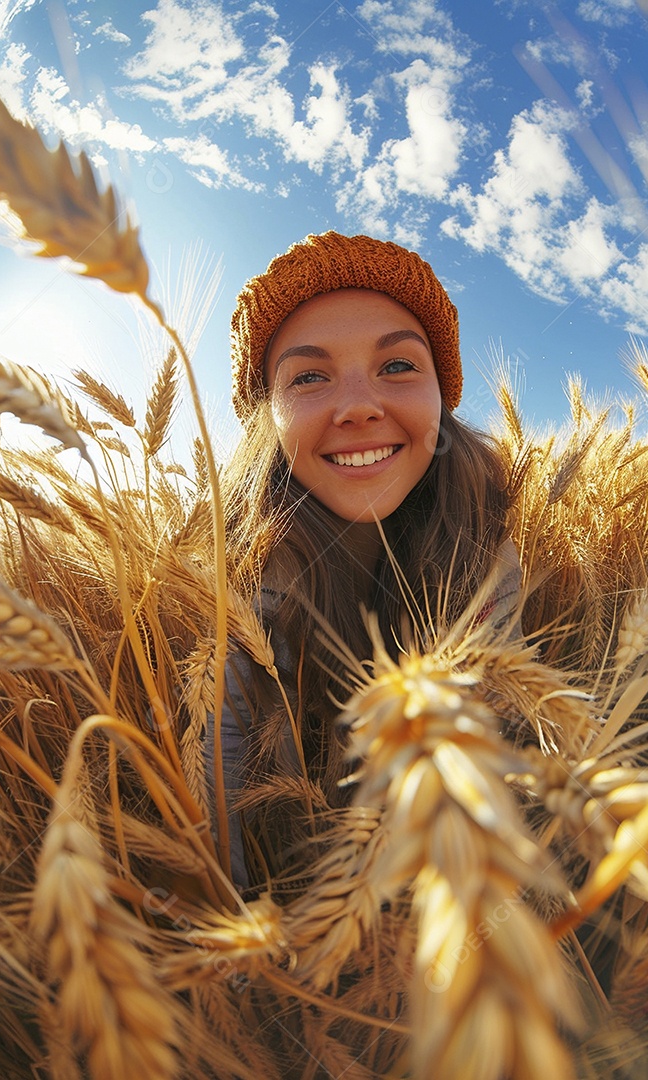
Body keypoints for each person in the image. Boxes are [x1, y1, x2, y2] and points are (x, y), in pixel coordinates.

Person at [207, 231, 521, 892]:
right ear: (268, 417)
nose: (358, 406)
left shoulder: (483, 550)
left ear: (442, 394)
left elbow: (510, 765)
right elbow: (222, 853)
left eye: (399, 366)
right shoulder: (231, 593)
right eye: (310, 376)